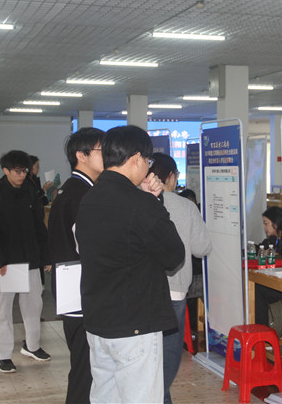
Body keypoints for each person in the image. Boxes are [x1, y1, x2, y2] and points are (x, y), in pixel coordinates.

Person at [76, 125, 185, 403]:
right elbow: (174, 255)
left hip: (99, 321)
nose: (148, 167)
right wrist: (155, 202)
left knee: (105, 396)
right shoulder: (141, 204)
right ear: (136, 158)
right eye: (148, 160)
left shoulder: (89, 199)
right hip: (135, 325)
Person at [47, 127, 105, 404]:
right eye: (102, 150)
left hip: (72, 287)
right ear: (81, 156)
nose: (108, 156)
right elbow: (91, 247)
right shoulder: (81, 194)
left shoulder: (72, 190)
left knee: (84, 366)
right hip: (81, 289)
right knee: (85, 369)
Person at [149, 152, 212, 404]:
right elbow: (202, 248)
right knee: (169, 354)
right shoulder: (186, 206)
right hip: (174, 291)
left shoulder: (136, 201)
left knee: (146, 356)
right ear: (171, 177)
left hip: (143, 291)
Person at [0, 150, 51, 374]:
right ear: (5, 170)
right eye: (17, 171)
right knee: (4, 310)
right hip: (8, 262)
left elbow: (39, 225)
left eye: (24, 171)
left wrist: (45, 256)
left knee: (34, 305)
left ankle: (32, 346)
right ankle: (2, 355)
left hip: (31, 258)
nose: (21, 175)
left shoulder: (30, 190)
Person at [255, 206, 282, 327]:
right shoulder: (271, 240)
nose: (264, 227)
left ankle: (262, 329)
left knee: (258, 291)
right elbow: (259, 248)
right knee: (255, 286)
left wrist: (277, 255)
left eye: (266, 223)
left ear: (275, 224)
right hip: (272, 279)